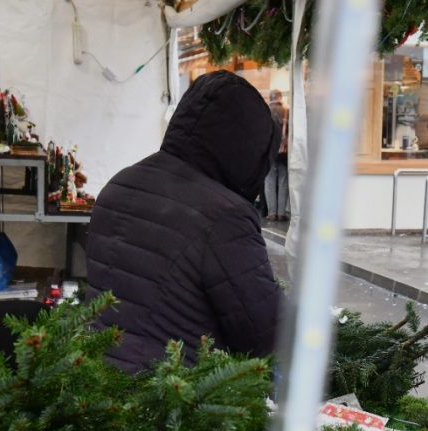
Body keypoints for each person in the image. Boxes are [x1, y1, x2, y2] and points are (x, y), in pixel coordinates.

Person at [83, 70, 282, 373]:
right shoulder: (224, 215)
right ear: (249, 148)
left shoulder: (120, 183)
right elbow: (263, 335)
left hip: (96, 382)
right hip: (174, 398)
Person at [263, 89, 289, 222]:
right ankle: (282, 213)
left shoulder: (265, 110)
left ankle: (272, 213)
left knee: (269, 180)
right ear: (280, 97)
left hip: (270, 150)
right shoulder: (287, 111)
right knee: (283, 180)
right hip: (284, 150)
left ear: (271, 97)